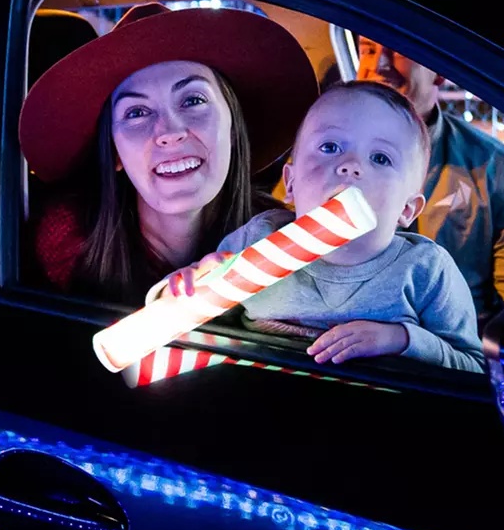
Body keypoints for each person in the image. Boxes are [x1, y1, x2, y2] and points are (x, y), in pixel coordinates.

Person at [162, 82, 483, 372]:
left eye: (381, 158)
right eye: (330, 147)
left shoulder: (426, 270)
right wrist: (193, 286)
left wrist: (402, 340)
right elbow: (192, 324)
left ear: (407, 209)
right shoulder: (257, 240)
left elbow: (472, 367)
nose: (351, 165)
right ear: (290, 183)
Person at [20, 2, 318, 304]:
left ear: (232, 127)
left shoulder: (279, 236)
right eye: (136, 112)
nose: (169, 132)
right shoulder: (72, 237)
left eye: (192, 101)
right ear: (115, 153)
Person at [358, 38, 504, 319]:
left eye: (399, 50)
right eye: (368, 50)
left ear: (439, 70)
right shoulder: (324, 156)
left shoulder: (495, 166)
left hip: (454, 349)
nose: (380, 66)